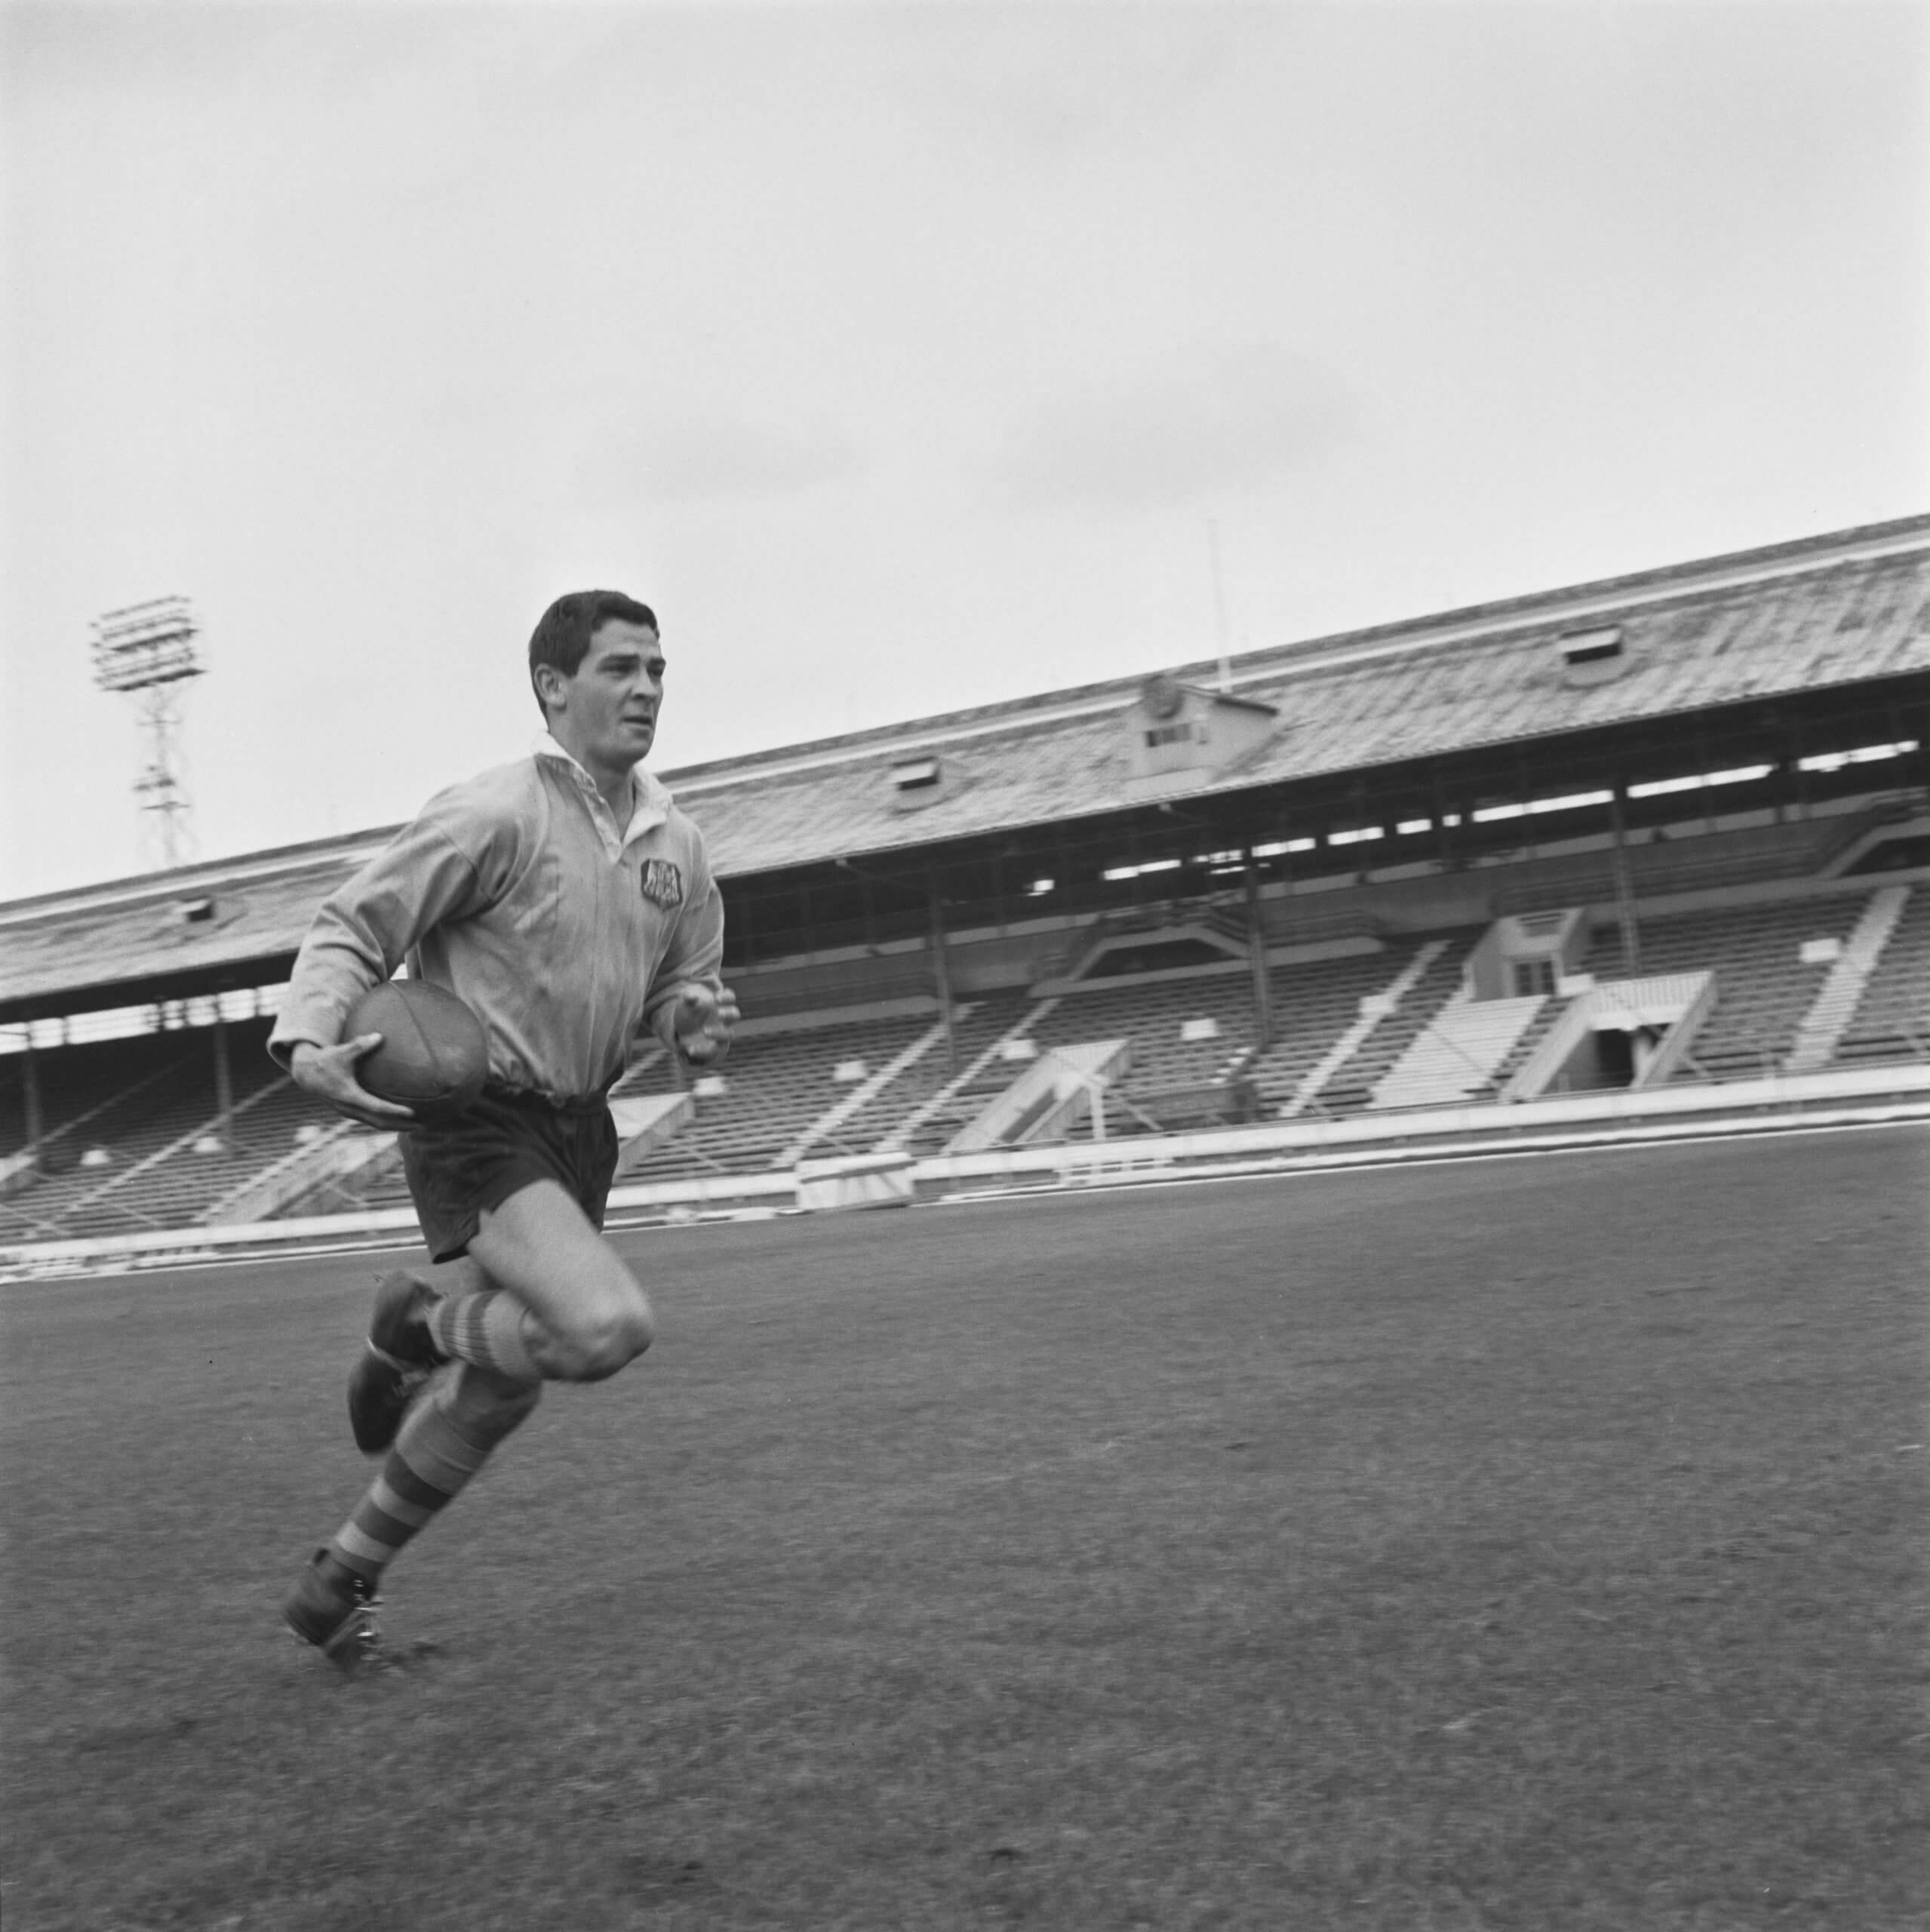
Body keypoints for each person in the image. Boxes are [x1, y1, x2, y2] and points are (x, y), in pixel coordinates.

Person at [272, 590, 737, 1667]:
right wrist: (308, 1042)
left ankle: (342, 1579)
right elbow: (355, 922)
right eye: (621, 668)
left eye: (658, 669)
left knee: (501, 1393)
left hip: (581, 1130)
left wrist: (693, 1023)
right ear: (552, 686)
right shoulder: (494, 814)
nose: (647, 689)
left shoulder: (681, 845)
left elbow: (685, 994)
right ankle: (414, 1329)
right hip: (476, 1124)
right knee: (604, 1327)